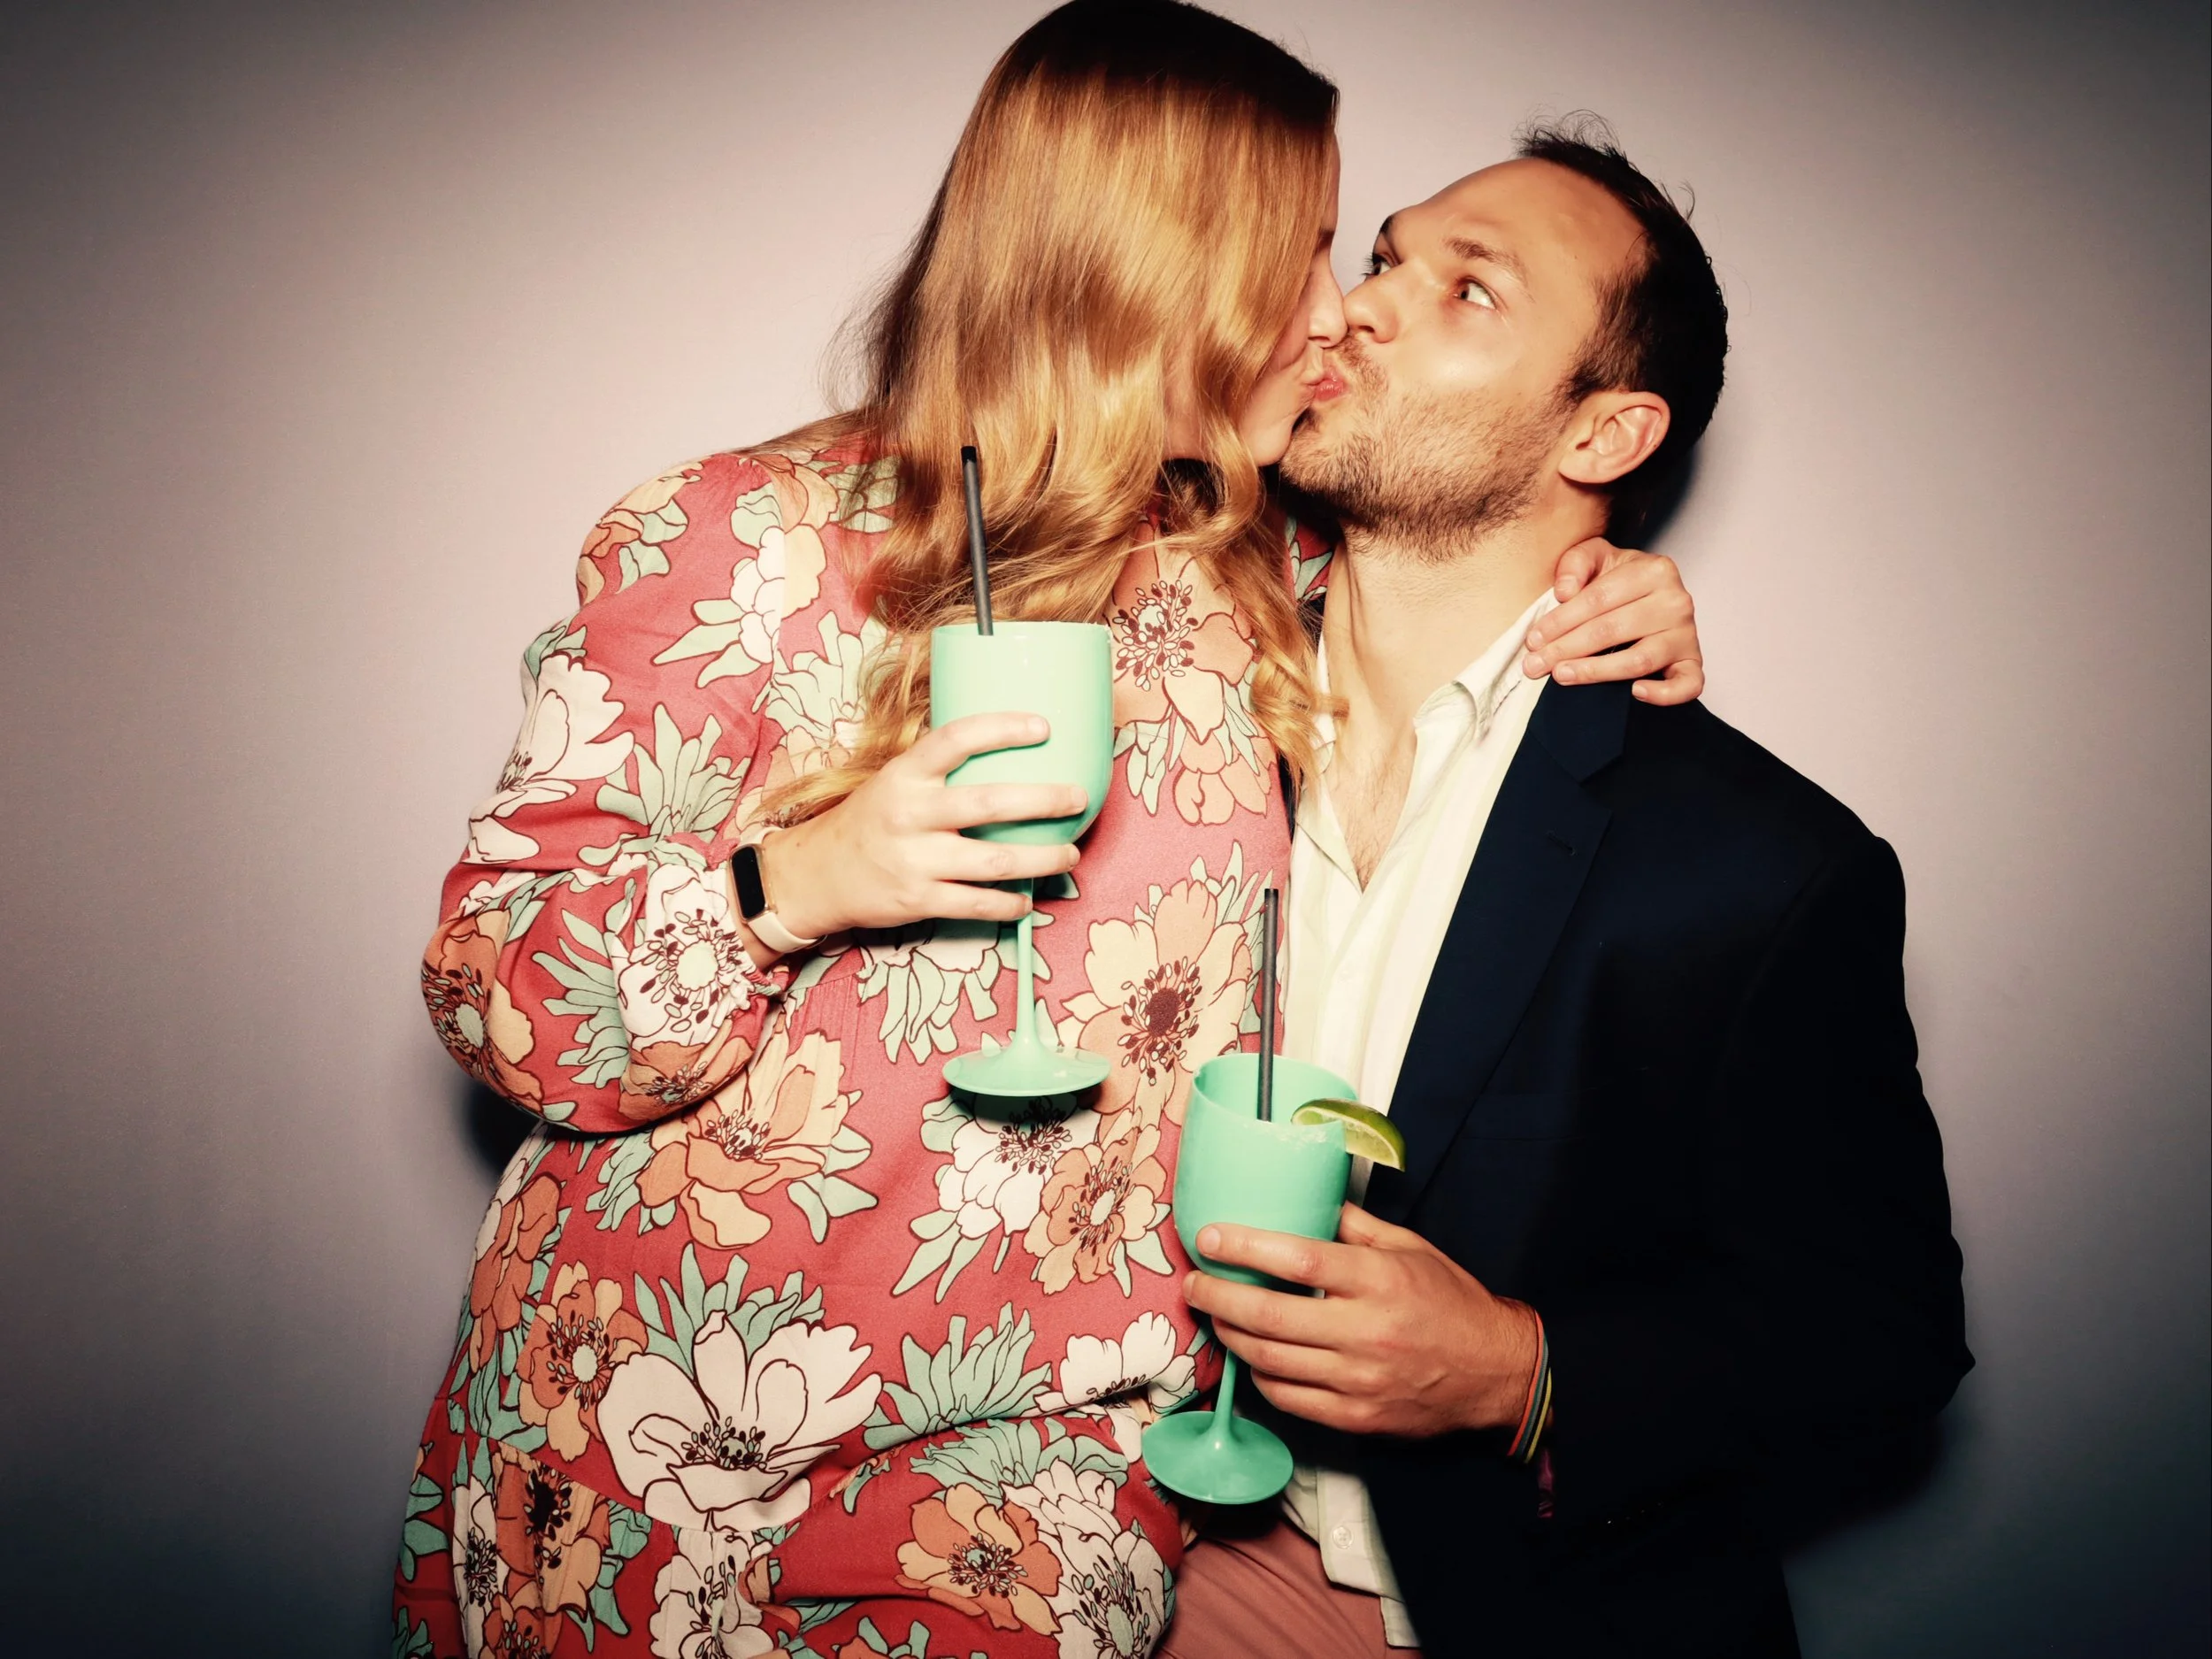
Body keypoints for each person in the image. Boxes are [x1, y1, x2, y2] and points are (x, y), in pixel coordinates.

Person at [391, 11, 1713, 1657]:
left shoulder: (1258, 571)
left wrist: (1615, 582)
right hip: (650, 1435)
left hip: (1037, 1480)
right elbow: (496, 999)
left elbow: (1473, 567)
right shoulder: (740, 540)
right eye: (1305, 255)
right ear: (1153, 258)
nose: (1340, 313)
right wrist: (793, 880)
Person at [1163, 120, 1972, 1659]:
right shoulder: (1173, 705)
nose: (1360, 304)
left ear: (1602, 437)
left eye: (1470, 290)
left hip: (1503, 1612)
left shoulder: (1763, 866)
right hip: (1145, 1566)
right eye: (1386, 256)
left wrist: (1524, 1370)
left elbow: (1883, 1337)